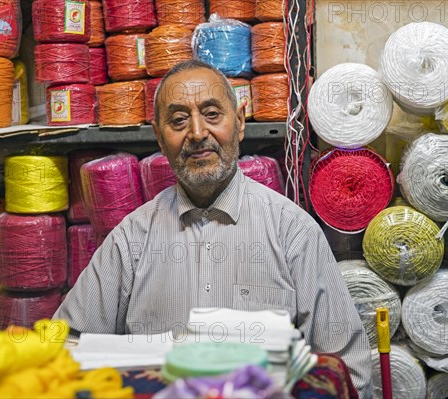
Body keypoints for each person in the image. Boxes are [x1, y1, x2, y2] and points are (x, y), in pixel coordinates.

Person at [54, 60, 373, 397]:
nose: (196, 133)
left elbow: (346, 370)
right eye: (178, 120)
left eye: (212, 114)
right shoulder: (131, 239)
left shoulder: (292, 232)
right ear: (160, 138)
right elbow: (65, 347)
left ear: (239, 123)